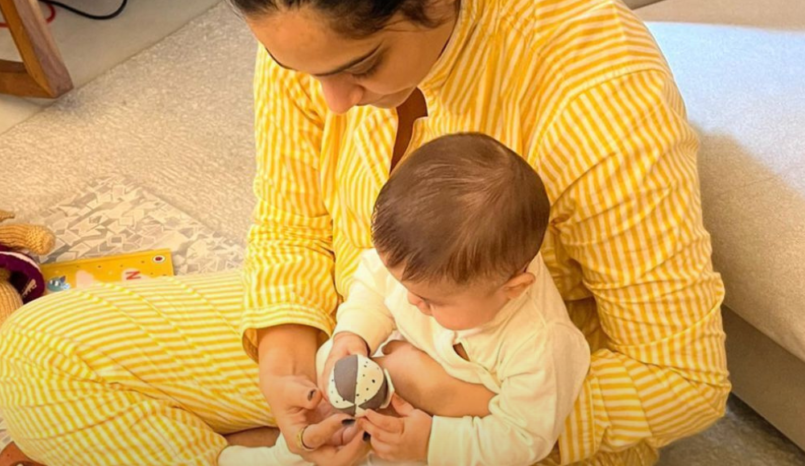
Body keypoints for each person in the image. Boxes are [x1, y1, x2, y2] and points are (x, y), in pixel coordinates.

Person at [0, 0, 730, 465]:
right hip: (360, 326)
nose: (329, 102)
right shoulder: (304, 18)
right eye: (296, 69)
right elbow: (291, 221)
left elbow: (685, 380)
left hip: (509, 394)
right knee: (36, 356)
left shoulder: (598, 90)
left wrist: (451, 413)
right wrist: (288, 354)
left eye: (361, 67)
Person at [219, 133, 591, 466]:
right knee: (327, 363)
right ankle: (287, 453)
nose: (411, 301)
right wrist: (354, 335)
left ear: (514, 288)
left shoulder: (540, 343)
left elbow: (523, 438)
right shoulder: (426, 265)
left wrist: (431, 442)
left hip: (443, 431)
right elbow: (373, 284)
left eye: (431, 301)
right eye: (403, 283)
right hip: (383, 377)